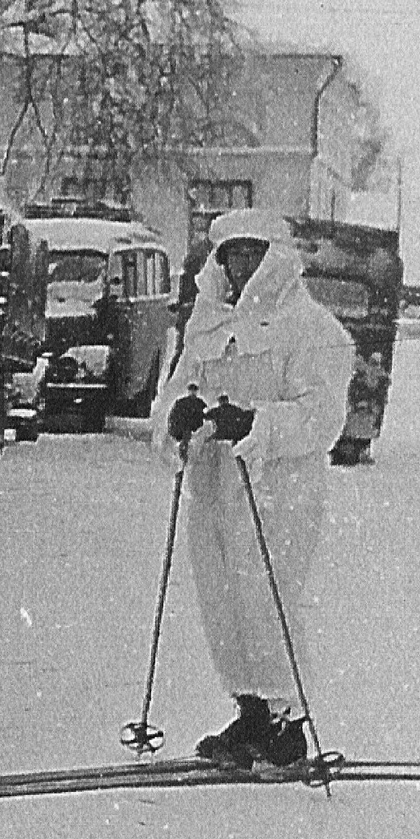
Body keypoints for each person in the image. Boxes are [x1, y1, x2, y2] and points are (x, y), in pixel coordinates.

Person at [153, 207, 354, 770]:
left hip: (278, 490)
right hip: (215, 484)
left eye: (252, 254)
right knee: (222, 599)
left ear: (275, 259)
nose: (240, 266)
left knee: (267, 598)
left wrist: (257, 423)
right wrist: (177, 417)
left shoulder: (312, 329)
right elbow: (175, 392)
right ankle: (251, 710)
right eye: (230, 255)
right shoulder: (207, 325)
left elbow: (323, 418)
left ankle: (287, 720)